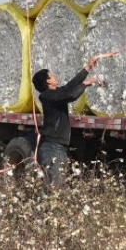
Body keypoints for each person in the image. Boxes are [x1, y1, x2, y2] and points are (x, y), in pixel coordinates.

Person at [31, 55, 100, 185]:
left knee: (57, 187)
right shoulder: (48, 96)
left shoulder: (54, 94)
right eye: (51, 75)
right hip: (52, 148)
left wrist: (88, 67)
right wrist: (84, 84)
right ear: (48, 81)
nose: (54, 76)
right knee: (56, 188)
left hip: (58, 147)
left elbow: (69, 87)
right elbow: (71, 95)